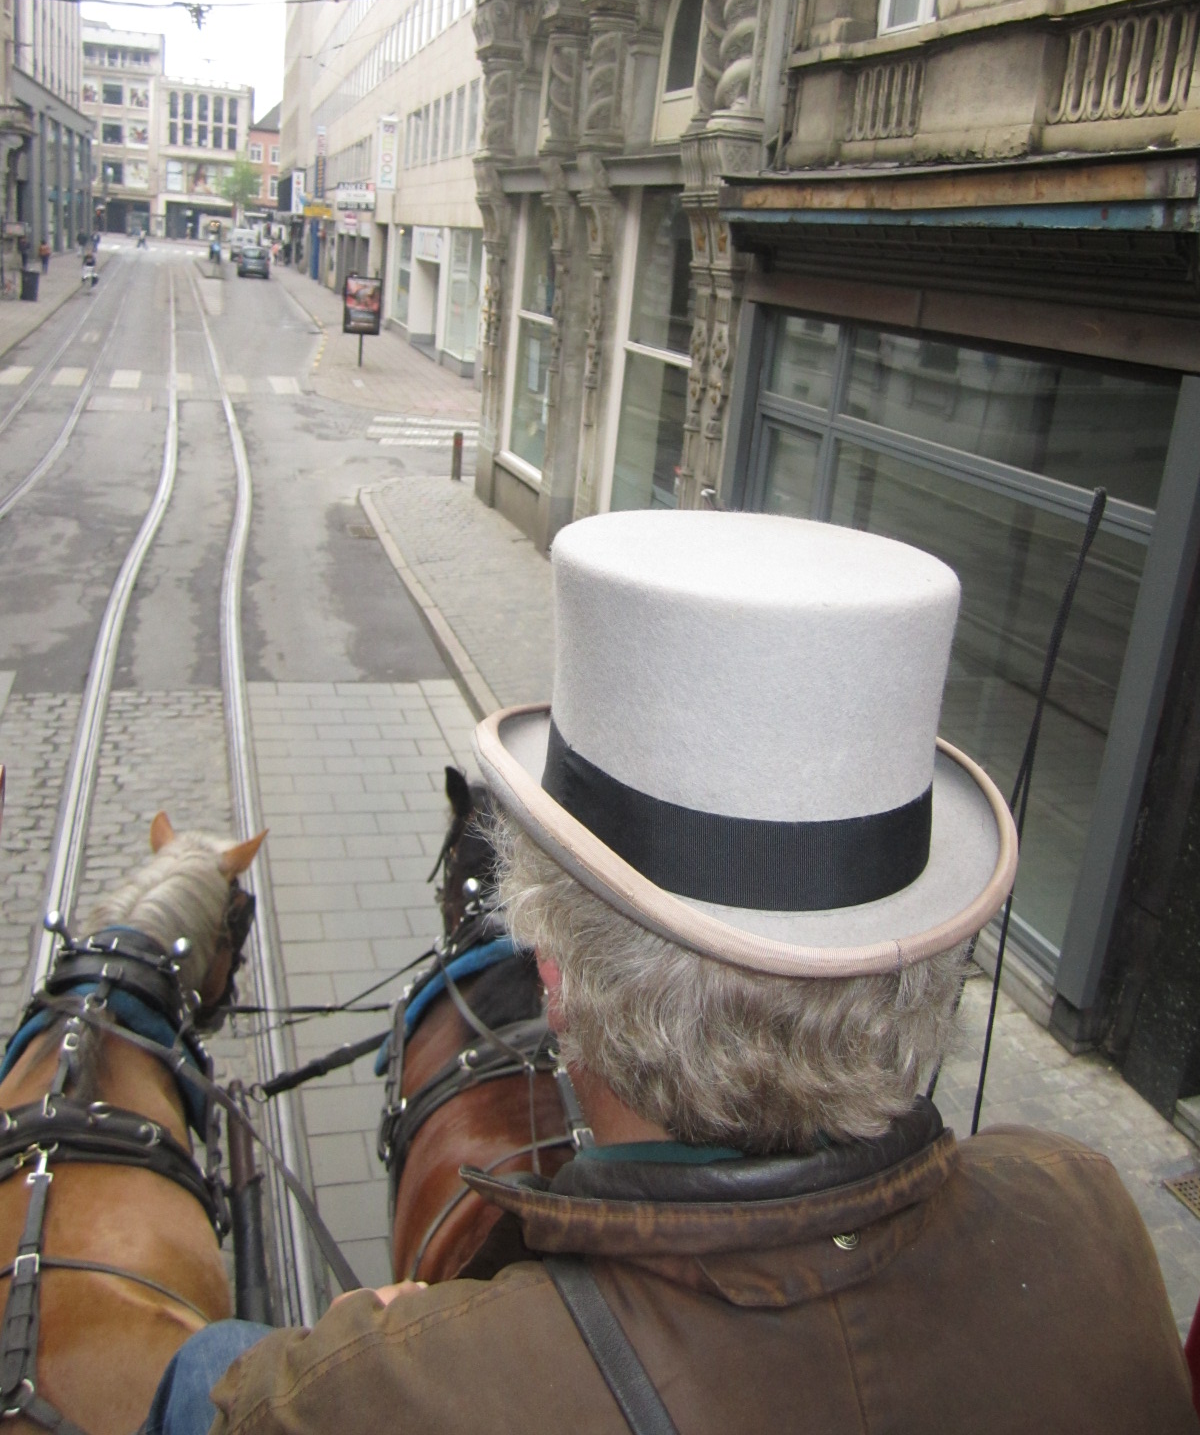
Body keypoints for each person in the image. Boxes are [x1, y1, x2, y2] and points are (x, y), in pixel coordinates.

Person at [144, 512, 1198, 1435]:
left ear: (557, 978)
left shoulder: (381, 1398)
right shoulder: (1084, 1211)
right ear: (922, 962)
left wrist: (355, 1357)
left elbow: (222, 1398)